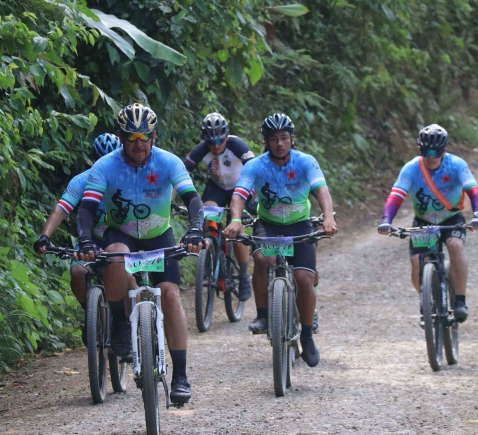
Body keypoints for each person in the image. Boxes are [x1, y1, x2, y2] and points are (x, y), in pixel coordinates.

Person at [76, 103, 205, 405]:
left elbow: (192, 198)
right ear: (121, 137)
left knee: (170, 296)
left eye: (143, 137)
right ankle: (121, 323)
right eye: (131, 137)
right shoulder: (104, 166)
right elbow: (87, 209)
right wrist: (85, 239)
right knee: (115, 256)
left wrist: (196, 229)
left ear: (153, 136)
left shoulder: (169, 162)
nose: (138, 144)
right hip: (121, 233)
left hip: (159, 234)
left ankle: (181, 375)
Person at [223, 113, 337, 368]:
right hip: (269, 225)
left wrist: (328, 217)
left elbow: (322, 191)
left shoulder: (306, 162)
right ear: (266, 141)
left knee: (305, 278)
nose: (279, 144)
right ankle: (263, 315)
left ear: (291, 139)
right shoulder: (255, 166)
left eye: (284, 138)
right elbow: (239, 195)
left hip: (300, 224)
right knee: (263, 259)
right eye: (273, 139)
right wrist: (236, 219)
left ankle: (307, 336)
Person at [377, 124, 478, 325]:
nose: (431, 156)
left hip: (451, 219)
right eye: (427, 151)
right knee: (417, 262)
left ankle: (460, 301)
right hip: (424, 221)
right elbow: (396, 196)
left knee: (455, 246)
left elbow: (473, 190)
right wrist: (386, 221)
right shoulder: (411, 168)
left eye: (436, 151)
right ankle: (426, 302)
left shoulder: (456, 164)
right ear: (420, 150)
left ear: (444, 150)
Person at [33, 133, 121, 343]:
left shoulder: (126, 179)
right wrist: (45, 236)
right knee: (78, 270)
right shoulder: (82, 180)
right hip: (91, 240)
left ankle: (128, 321)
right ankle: (91, 314)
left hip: (120, 238)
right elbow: (61, 209)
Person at [184, 112, 255, 300]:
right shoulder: (200, 149)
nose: (216, 146)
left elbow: (257, 169)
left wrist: (254, 195)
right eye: (211, 142)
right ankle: (210, 251)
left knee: (237, 232)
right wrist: (169, 201)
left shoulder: (237, 145)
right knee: (207, 212)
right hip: (216, 189)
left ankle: (243, 275)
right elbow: (180, 176)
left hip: (239, 189)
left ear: (227, 136)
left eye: (220, 141)